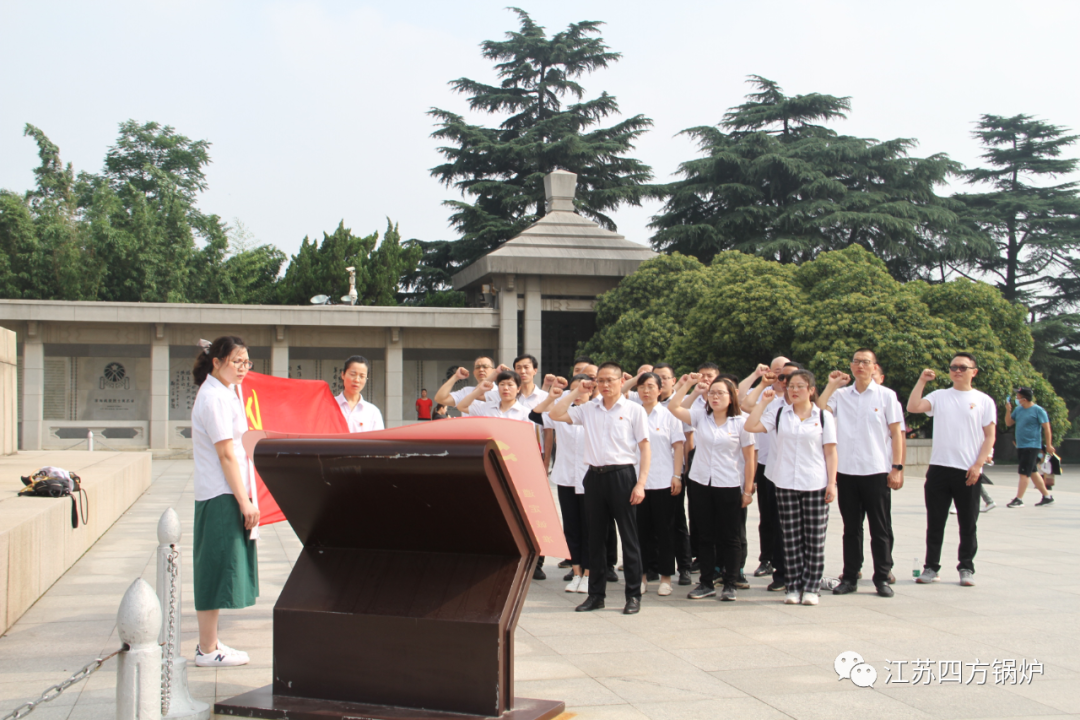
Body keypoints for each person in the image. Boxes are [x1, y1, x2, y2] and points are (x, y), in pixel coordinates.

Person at [550, 361, 651, 615]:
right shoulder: (588, 409)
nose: (605, 385)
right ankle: (596, 595)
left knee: (629, 538)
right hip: (593, 477)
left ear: (620, 382)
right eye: (601, 380)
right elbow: (555, 414)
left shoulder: (633, 410)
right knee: (595, 539)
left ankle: (632, 596)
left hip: (623, 476)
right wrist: (576, 391)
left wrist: (641, 483)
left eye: (610, 380)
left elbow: (645, 447)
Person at [190, 336, 259, 667]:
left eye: (247, 362)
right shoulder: (214, 398)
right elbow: (225, 454)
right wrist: (244, 501)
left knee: (218, 568)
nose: (243, 368)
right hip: (220, 493)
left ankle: (211, 642)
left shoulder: (226, 392)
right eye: (236, 361)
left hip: (225, 491)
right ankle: (206, 649)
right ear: (216, 362)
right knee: (213, 570)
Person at [816, 349, 903, 598]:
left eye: (866, 362)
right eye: (856, 362)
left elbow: (896, 433)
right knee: (851, 528)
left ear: (875, 367)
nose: (860, 366)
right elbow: (820, 409)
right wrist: (832, 385)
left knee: (880, 528)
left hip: (876, 470)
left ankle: (882, 577)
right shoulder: (841, 395)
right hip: (846, 471)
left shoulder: (887, 396)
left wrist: (897, 467)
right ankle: (851, 576)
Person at [746, 369, 837, 606]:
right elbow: (751, 425)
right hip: (785, 482)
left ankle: (811, 587)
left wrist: (832, 483)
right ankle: (793, 586)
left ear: (811, 390)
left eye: (800, 386)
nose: (794, 390)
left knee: (815, 538)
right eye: (791, 386)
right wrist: (763, 402)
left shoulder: (824, 417)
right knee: (790, 538)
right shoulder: (779, 413)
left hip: (815, 483)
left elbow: (830, 452)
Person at [907, 352, 997, 587]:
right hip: (939, 468)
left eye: (963, 367)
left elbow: (990, 436)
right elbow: (914, 406)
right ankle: (931, 567)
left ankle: (966, 567)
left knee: (968, 523)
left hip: (967, 469)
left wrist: (978, 465)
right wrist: (922, 381)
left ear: (973, 372)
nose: (957, 371)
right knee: (935, 522)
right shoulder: (940, 396)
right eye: (953, 367)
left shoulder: (983, 400)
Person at [669, 375, 755, 601]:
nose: (715, 397)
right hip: (700, 483)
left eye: (721, 393)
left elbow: (749, 458)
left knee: (730, 536)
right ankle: (706, 582)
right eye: (712, 393)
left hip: (728, 484)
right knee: (705, 535)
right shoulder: (700, 417)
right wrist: (689, 386)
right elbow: (673, 406)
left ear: (732, 396)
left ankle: (730, 583)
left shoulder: (742, 422)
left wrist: (747, 490)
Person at [743, 359, 801, 592]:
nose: (787, 383)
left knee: (803, 527)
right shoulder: (773, 404)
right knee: (775, 521)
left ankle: (803, 572)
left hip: (805, 474)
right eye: (782, 377)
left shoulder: (812, 407)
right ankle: (780, 571)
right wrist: (761, 386)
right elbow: (745, 407)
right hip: (774, 470)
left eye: (793, 379)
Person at [531, 376, 592, 593]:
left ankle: (588, 575)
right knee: (572, 528)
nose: (578, 392)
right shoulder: (559, 413)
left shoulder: (595, 412)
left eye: (583, 389)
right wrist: (553, 396)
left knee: (590, 529)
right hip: (566, 477)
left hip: (590, 479)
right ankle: (576, 573)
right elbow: (534, 414)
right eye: (574, 389)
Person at [633, 372, 685, 597]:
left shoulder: (669, 415)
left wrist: (677, 475)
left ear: (660, 390)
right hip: (637, 482)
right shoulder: (632, 414)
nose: (646, 391)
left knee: (665, 532)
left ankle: (665, 578)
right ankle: (641, 576)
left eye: (651, 386)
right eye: (642, 387)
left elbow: (679, 447)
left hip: (664, 480)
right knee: (640, 532)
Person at [1004, 387, 1055, 507]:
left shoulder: (1038, 410)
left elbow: (1047, 428)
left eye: (1018, 397)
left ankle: (1019, 499)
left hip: (1031, 446)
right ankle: (1047, 497)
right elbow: (1008, 423)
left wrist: (1049, 445)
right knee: (1032, 471)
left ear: (1024, 399)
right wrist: (1008, 411)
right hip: (1021, 445)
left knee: (1024, 472)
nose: (1016, 399)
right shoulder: (1018, 409)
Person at [458, 370, 532, 421]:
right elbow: (461, 406)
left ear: (518, 388)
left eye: (510, 385)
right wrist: (480, 390)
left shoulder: (525, 413)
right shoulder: (486, 407)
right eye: (502, 384)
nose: (505, 388)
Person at [335, 355, 384, 432]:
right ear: (343, 375)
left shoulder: (372, 412)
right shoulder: (329, 406)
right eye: (352, 374)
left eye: (362, 376)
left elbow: (379, 441)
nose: (357, 380)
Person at [433, 357, 502, 412]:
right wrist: (455, 377)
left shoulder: (501, 392)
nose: (481, 369)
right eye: (477, 367)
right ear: (474, 372)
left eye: (485, 366)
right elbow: (440, 399)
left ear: (494, 370)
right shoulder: (466, 391)